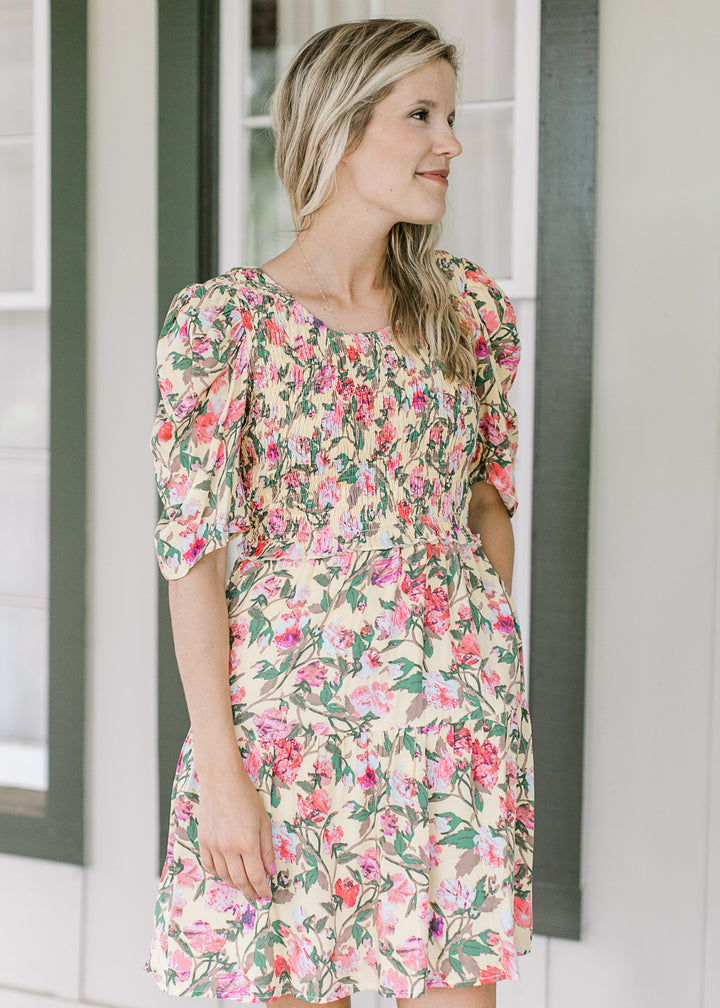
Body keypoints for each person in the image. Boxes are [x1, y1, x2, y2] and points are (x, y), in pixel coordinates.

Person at [144, 17, 534, 1008]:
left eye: (449, 115)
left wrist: (468, 669)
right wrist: (223, 777)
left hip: (444, 729)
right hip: (284, 737)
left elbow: (491, 506)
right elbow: (192, 559)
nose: (450, 140)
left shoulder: (469, 312)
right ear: (341, 130)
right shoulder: (223, 325)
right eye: (422, 115)